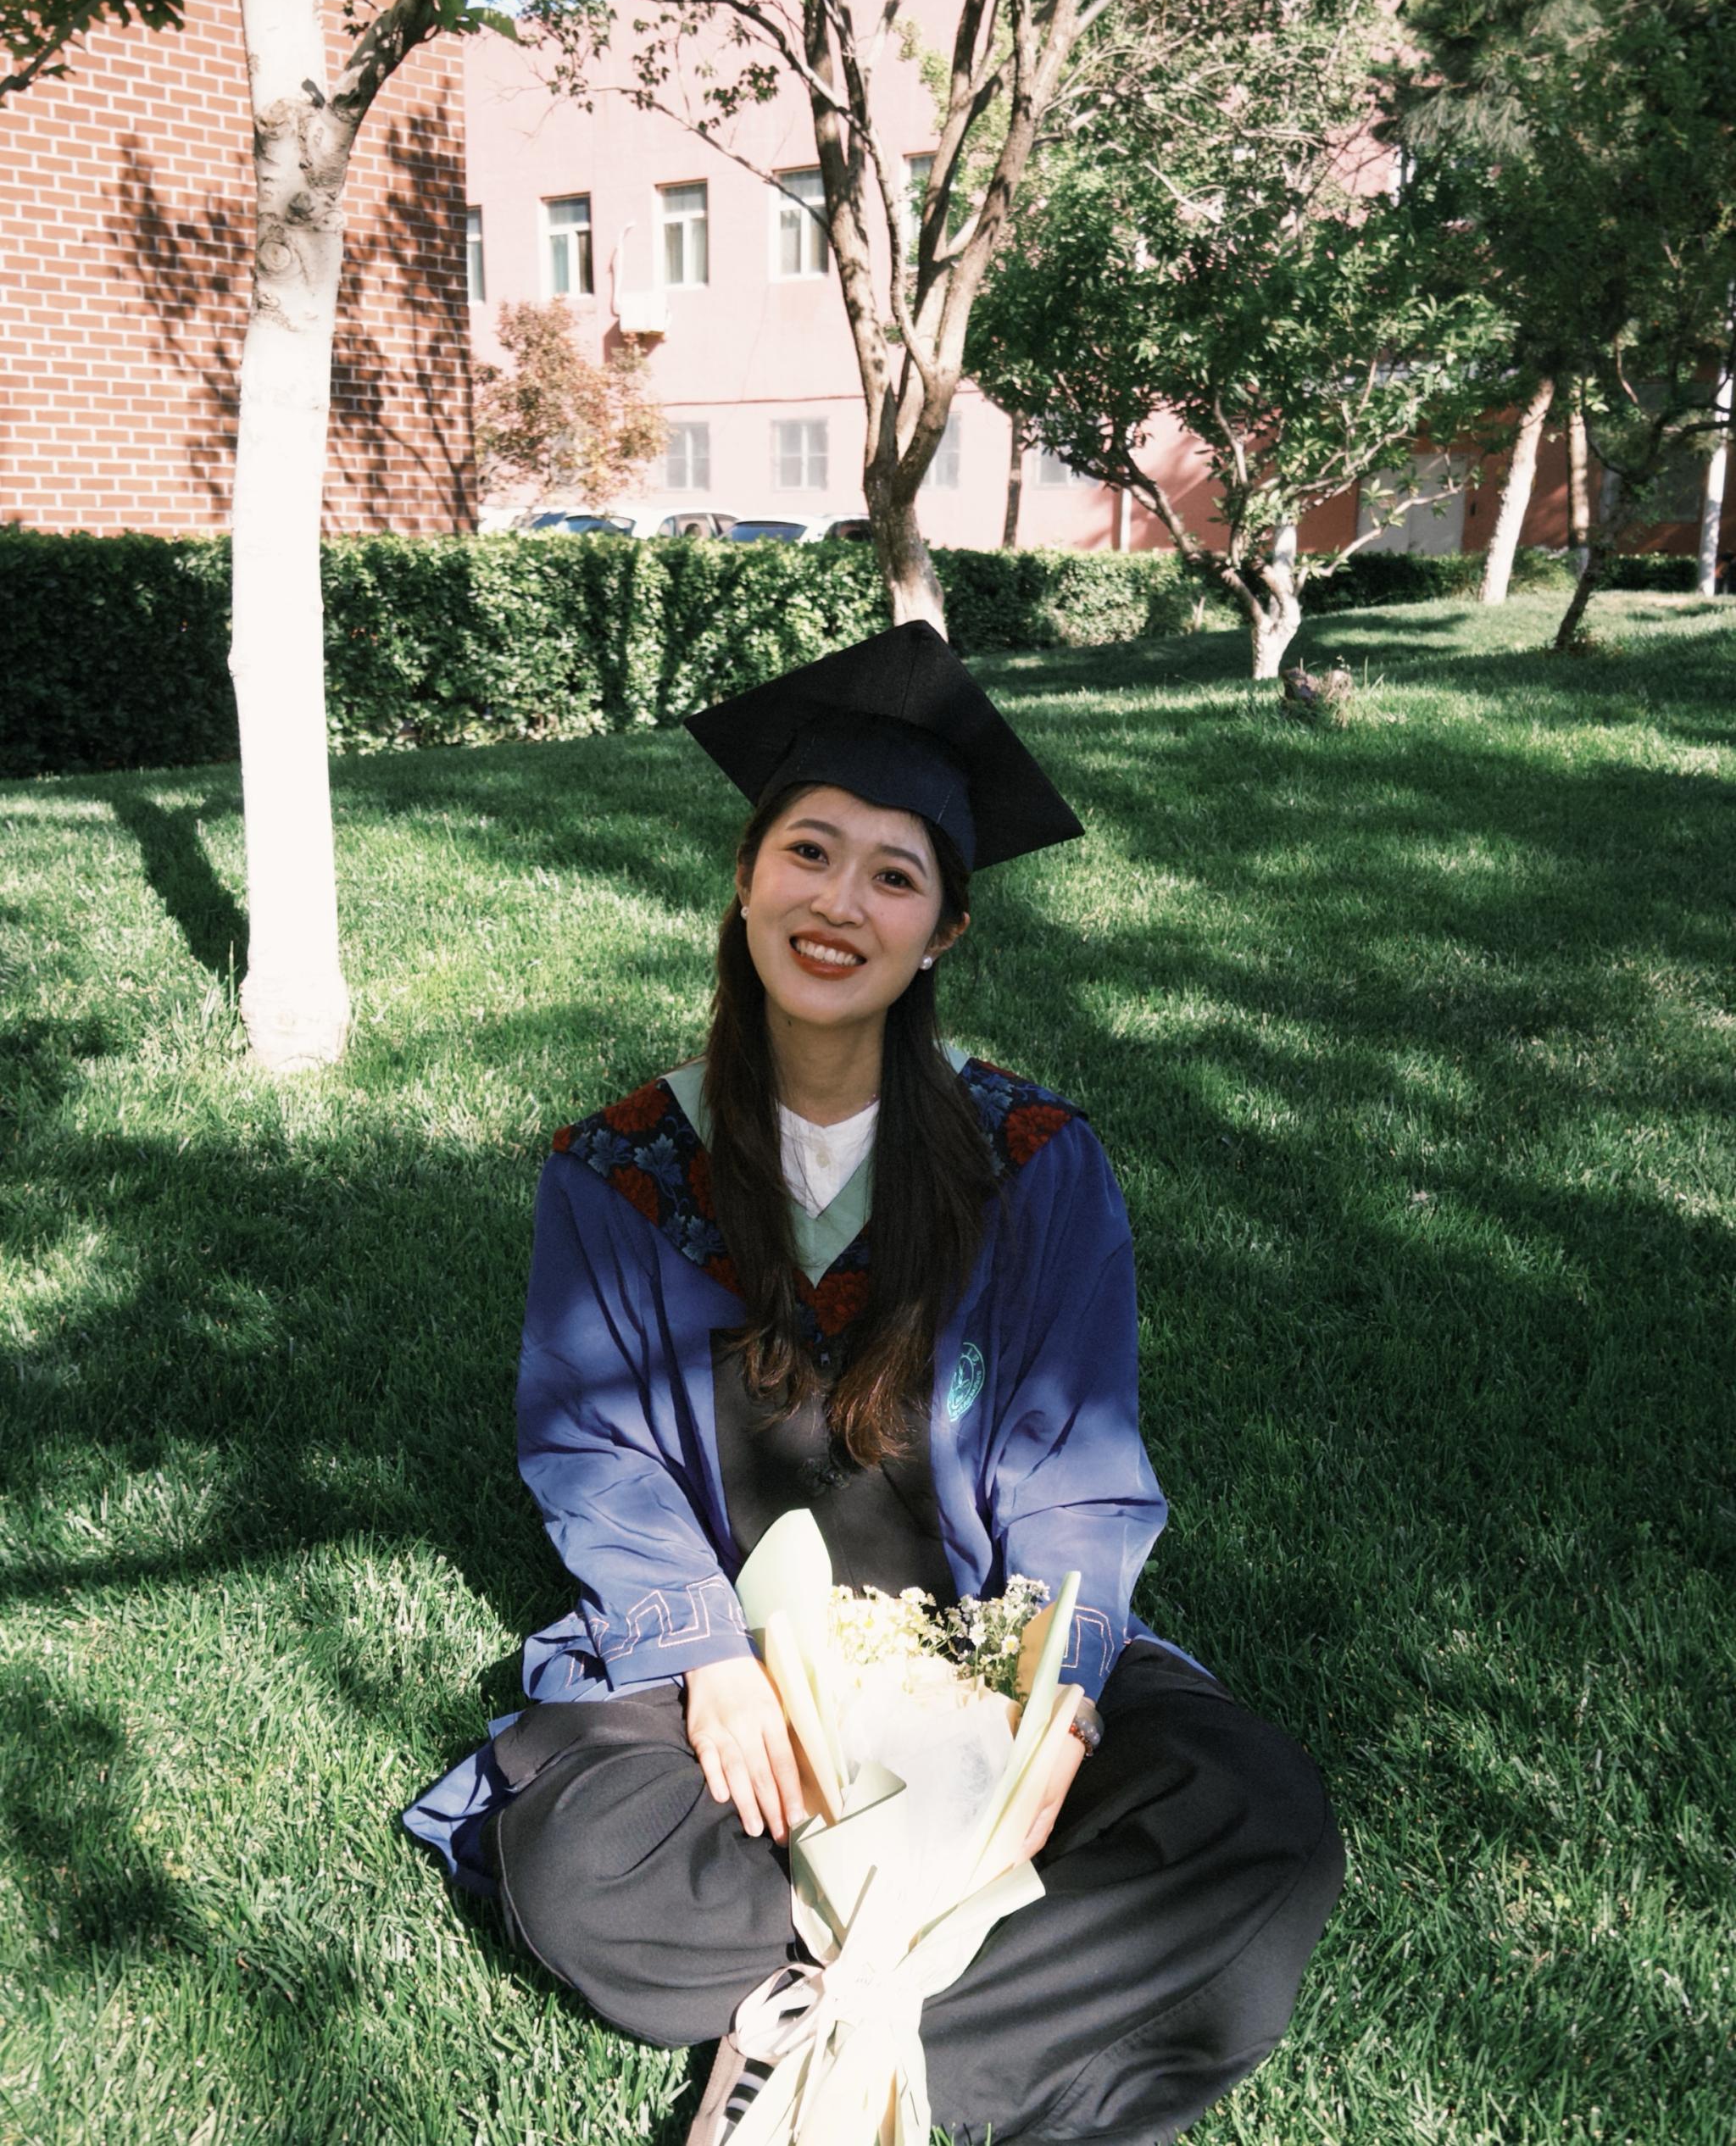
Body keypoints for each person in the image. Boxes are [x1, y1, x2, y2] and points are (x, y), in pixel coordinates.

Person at [404, 623, 1344, 2144]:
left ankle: (828, 2044)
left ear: (943, 930)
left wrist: (1054, 1693)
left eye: (893, 875)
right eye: (808, 852)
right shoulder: (624, 1168)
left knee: (1264, 1826)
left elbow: (1078, 1463)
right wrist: (708, 1658)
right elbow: (597, 1452)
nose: (840, 901)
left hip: (977, 1644)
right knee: (585, 1869)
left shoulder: (1032, 1160)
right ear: (746, 876)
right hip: (738, 1676)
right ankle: (971, 1997)